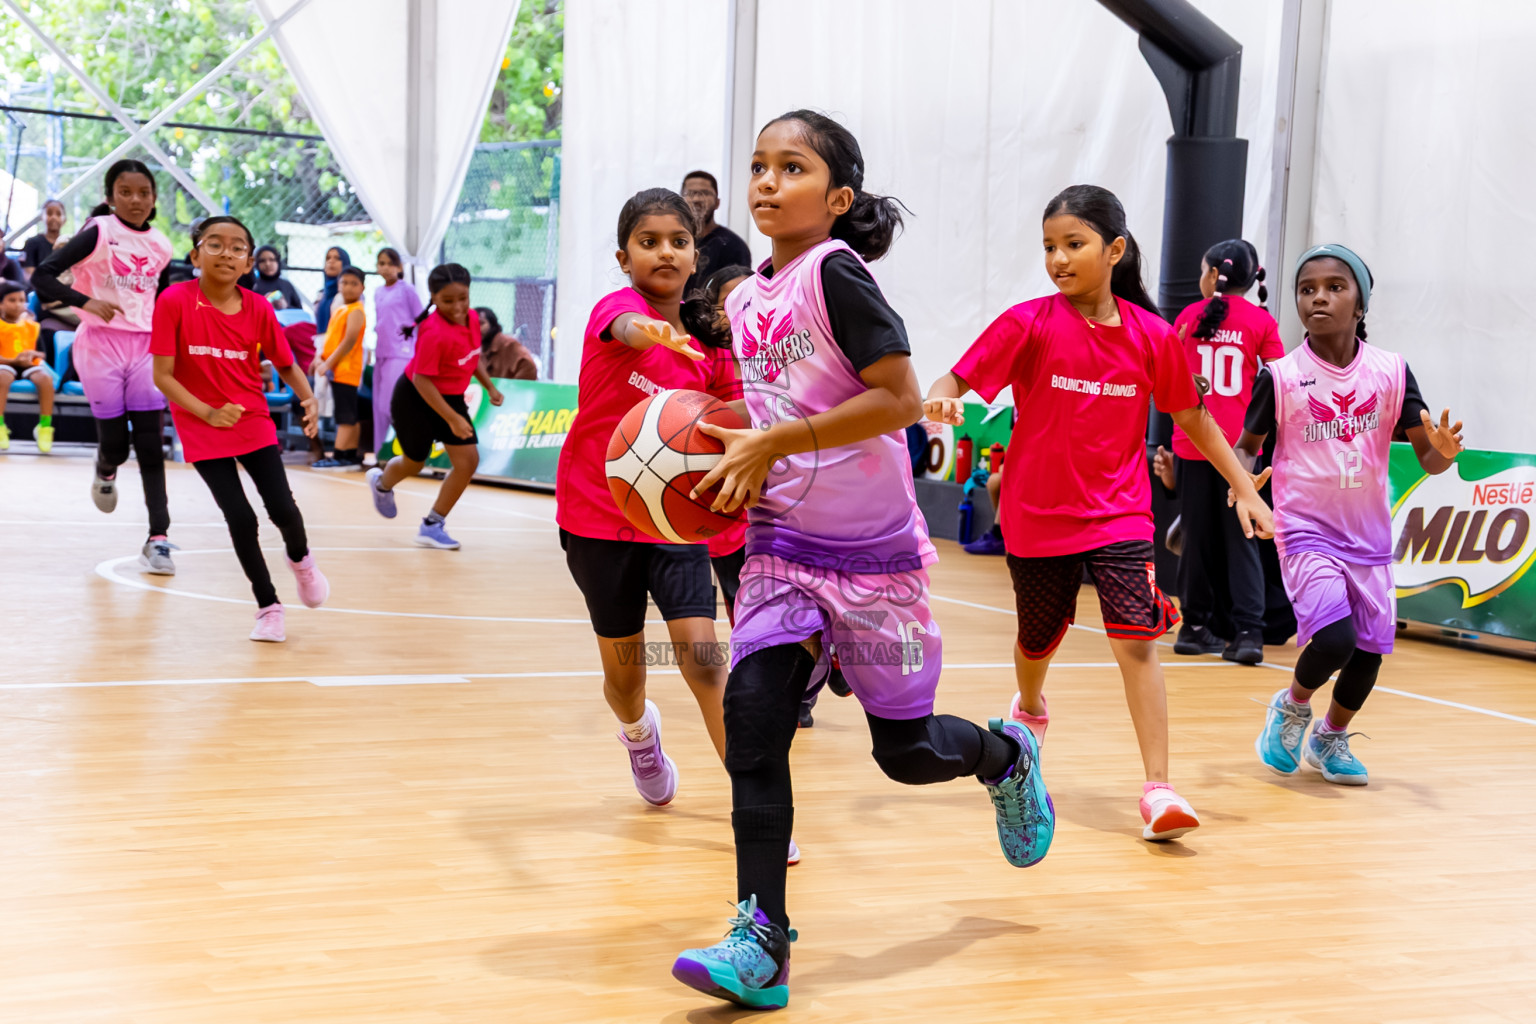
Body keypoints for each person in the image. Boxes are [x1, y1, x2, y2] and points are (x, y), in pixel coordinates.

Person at [671, 113, 1051, 1012]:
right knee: (753, 716)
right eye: (758, 166)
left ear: (837, 199)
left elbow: (900, 399)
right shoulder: (740, 299)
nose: (765, 181)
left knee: (906, 754)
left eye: (790, 167)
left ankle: (1004, 758)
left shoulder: (837, 275)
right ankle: (761, 939)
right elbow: (756, 413)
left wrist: (779, 441)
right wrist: (724, 463)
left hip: (877, 563)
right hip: (782, 550)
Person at [925, 185, 1275, 851]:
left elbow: (1193, 418)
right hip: (1035, 515)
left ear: (1114, 250)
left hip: (1120, 514)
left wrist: (1245, 490)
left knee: (1137, 641)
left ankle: (1158, 787)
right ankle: (1030, 706)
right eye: (1050, 247)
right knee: (1038, 638)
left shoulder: (1153, 336)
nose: (1058, 258)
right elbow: (956, 380)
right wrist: (941, 400)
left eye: (1073, 244)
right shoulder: (1026, 323)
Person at [552, 188, 750, 824]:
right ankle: (639, 734)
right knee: (627, 677)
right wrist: (650, 331)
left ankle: (756, 806)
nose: (665, 251)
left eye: (679, 240)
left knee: (704, 662)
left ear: (696, 254)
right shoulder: (619, 309)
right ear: (623, 255)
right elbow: (624, 326)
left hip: (673, 521)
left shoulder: (711, 348)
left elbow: (734, 422)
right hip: (595, 515)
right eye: (649, 241)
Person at [1248, 244, 1463, 786]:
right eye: (1307, 288)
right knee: (1336, 640)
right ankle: (1292, 707)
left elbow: (1430, 461)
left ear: (1361, 303)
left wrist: (1441, 453)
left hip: (1367, 535)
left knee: (1368, 655)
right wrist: (1243, 485)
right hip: (1304, 530)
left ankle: (1329, 737)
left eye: (1335, 287)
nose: (1319, 296)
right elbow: (1245, 447)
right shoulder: (1280, 376)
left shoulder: (1392, 372)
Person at [150, 215, 329, 642]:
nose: (226, 253)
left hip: (251, 419)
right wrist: (208, 413)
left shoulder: (260, 308)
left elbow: (285, 362)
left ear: (249, 262)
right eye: (215, 244)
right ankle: (268, 606)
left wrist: (308, 399)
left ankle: (301, 561)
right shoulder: (174, 301)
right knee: (239, 516)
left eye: (237, 247)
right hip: (201, 424)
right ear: (195, 255)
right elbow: (163, 375)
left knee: (282, 509)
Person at [33, 159, 177, 575]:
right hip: (100, 346)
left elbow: (160, 300)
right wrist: (86, 302)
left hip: (147, 347)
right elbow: (43, 277)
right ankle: (105, 467)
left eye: (144, 193)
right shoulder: (98, 232)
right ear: (111, 196)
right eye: (126, 192)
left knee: (151, 443)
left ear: (153, 199)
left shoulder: (162, 245)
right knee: (116, 444)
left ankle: (158, 539)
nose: (135, 200)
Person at [1164, 239, 1284, 665]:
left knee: (1196, 541)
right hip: (1241, 450)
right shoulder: (1261, 322)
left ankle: (1193, 628)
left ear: (1214, 275)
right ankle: (1248, 634)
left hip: (1193, 442)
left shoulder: (1186, 318)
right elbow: (1277, 383)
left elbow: (1169, 380)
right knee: (1243, 538)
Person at [365, 263, 503, 548]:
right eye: (447, 300)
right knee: (415, 462)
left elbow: (472, 355)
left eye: (462, 298)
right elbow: (422, 380)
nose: (457, 307)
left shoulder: (474, 319)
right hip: (414, 398)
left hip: (449, 395)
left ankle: (432, 524)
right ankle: (381, 483)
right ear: (433, 297)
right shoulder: (434, 332)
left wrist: (489, 386)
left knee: (468, 462)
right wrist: (452, 418)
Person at [310, 266, 367, 469]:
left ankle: (341, 455)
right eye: (344, 282)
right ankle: (349, 455)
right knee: (347, 413)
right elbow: (331, 340)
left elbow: (348, 341)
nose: (348, 288)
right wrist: (319, 358)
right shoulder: (341, 309)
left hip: (346, 370)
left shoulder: (357, 310)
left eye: (354, 283)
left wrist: (328, 363)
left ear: (362, 287)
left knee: (345, 415)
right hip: (337, 370)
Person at [372, 248, 424, 458]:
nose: (384, 267)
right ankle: (380, 454)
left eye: (388, 263)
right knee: (379, 406)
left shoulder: (407, 290)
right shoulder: (377, 291)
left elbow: (421, 320)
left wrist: (420, 350)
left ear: (399, 267)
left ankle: (405, 452)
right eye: (380, 263)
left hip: (401, 353)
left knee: (391, 404)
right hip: (382, 352)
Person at [0, 282, 54, 452]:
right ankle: (1, 426)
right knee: (2, 378)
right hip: (5, 364)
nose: (18, 304)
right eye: (12, 300)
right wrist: (14, 361)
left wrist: (32, 355)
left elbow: (43, 354)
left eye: (22, 300)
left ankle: (44, 427)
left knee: (45, 379)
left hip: (28, 365)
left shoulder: (32, 326)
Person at [681, 170, 752, 294]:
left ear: (717, 203)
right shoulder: (672, 243)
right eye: (690, 193)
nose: (697, 199)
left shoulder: (733, 246)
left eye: (705, 193)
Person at [475, 306, 538, 381]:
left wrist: (513, 388)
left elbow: (529, 366)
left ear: (492, 324)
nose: (476, 328)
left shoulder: (508, 345)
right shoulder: (476, 347)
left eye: (481, 323)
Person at [21, 199, 67, 279]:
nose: (54, 217)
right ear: (42, 217)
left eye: (58, 214)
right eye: (49, 213)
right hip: (39, 289)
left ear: (65, 219)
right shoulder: (32, 243)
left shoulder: (69, 244)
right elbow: (29, 275)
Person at [251, 246, 305, 311]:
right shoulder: (252, 285)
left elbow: (299, 312)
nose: (267, 264)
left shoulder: (286, 285)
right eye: (262, 261)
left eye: (272, 260)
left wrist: (285, 306)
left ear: (278, 262)